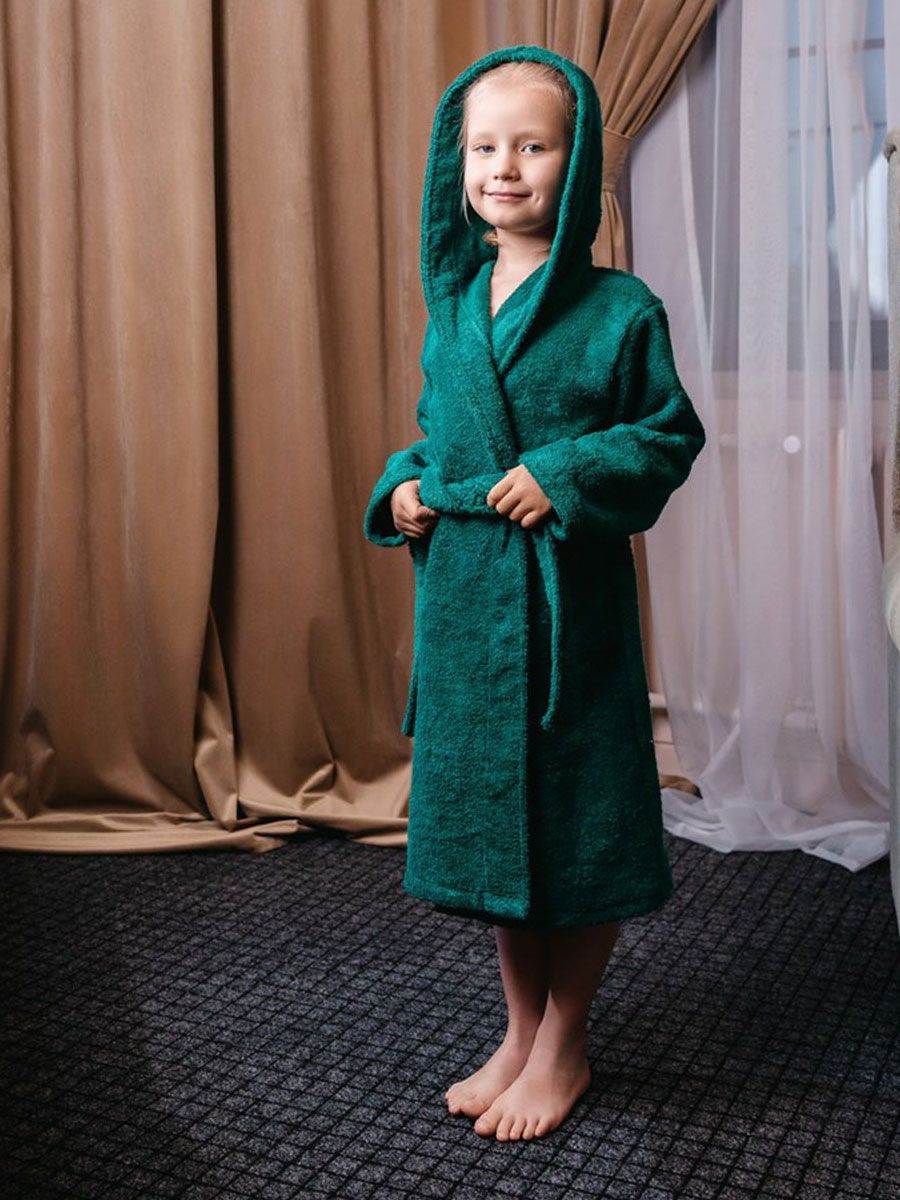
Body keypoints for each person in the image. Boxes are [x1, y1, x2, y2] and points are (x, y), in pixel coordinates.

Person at [363, 46, 706, 1142]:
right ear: (455, 164)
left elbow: (667, 434)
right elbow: (439, 437)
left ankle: (566, 1043)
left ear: (578, 160)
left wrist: (563, 472)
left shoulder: (620, 309)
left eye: (532, 146)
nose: (503, 167)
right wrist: (404, 488)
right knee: (500, 837)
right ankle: (519, 1032)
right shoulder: (456, 305)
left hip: (569, 611)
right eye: (483, 147)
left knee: (578, 823)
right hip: (470, 605)